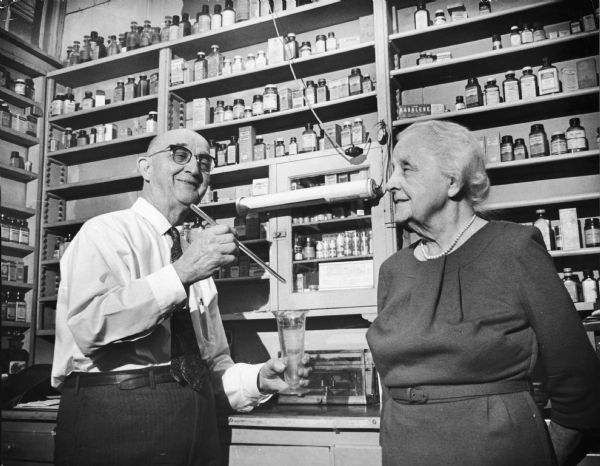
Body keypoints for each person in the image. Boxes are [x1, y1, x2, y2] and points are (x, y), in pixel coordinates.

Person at [52, 128, 308, 466]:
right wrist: (181, 273)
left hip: (196, 419)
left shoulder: (193, 255)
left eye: (204, 161)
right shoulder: (105, 232)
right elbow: (89, 326)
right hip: (116, 416)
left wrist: (257, 379)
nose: (194, 168)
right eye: (179, 154)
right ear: (145, 167)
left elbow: (213, 364)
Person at [366, 120, 600, 466]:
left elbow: (579, 382)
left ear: (453, 180)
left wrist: (544, 456)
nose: (388, 185)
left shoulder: (513, 248)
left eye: (406, 169)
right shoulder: (393, 271)